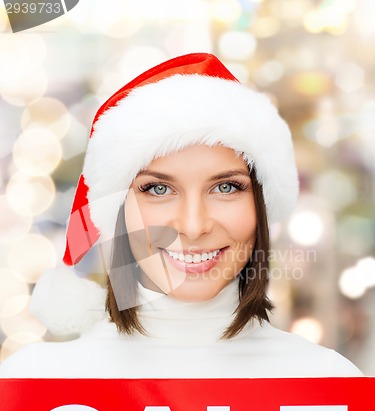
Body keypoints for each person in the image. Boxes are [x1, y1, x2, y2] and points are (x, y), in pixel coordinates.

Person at [0, 53, 362, 378]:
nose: (192, 226)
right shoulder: (35, 383)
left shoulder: (326, 383)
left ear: (261, 207)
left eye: (225, 188)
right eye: (158, 189)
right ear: (119, 211)